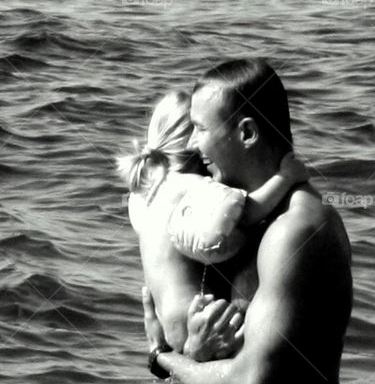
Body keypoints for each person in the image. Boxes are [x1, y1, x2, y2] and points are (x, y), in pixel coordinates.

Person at [142, 59, 358, 384]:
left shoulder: (296, 231)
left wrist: (164, 359)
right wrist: (192, 353)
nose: (193, 145)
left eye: (201, 129)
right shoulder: (248, 227)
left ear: (245, 133)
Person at [118, 90, 310, 354]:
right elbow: (244, 213)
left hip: (167, 323)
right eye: (199, 129)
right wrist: (285, 178)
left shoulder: (141, 195)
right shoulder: (191, 186)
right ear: (192, 141)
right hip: (199, 318)